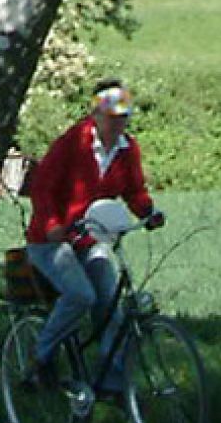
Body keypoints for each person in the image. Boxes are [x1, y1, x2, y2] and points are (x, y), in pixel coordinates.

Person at [24, 80, 160, 401]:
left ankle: (110, 384)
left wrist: (148, 212)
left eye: (123, 116)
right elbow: (42, 187)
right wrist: (54, 224)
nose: (117, 123)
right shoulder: (72, 143)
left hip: (89, 239)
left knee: (110, 304)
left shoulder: (128, 148)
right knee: (80, 295)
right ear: (95, 113)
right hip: (50, 242)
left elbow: (133, 190)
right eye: (111, 116)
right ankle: (40, 357)